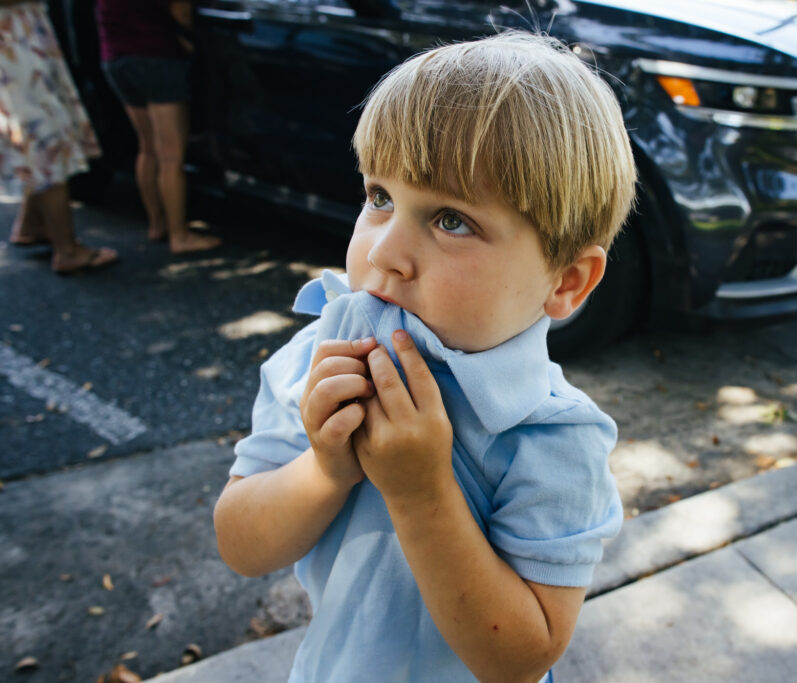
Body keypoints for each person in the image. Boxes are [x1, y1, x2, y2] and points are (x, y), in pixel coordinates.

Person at [214, 32, 636, 682]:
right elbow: (240, 543)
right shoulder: (324, 354)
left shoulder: (549, 438)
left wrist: (422, 490)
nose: (383, 252)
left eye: (450, 220)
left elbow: (521, 656)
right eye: (380, 198)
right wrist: (325, 468)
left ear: (566, 281)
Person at [1, 0, 118, 274]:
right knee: (45, 139)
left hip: (23, 39)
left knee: (41, 136)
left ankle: (30, 225)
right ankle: (67, 250)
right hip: (15, 49)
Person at [95, 0, 220, 253]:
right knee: (171, 156)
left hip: (115, 56)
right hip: (156, 54)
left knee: (147, 147)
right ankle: (179, 235)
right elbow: (180, 8)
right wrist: (188, 39)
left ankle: (157, 224)